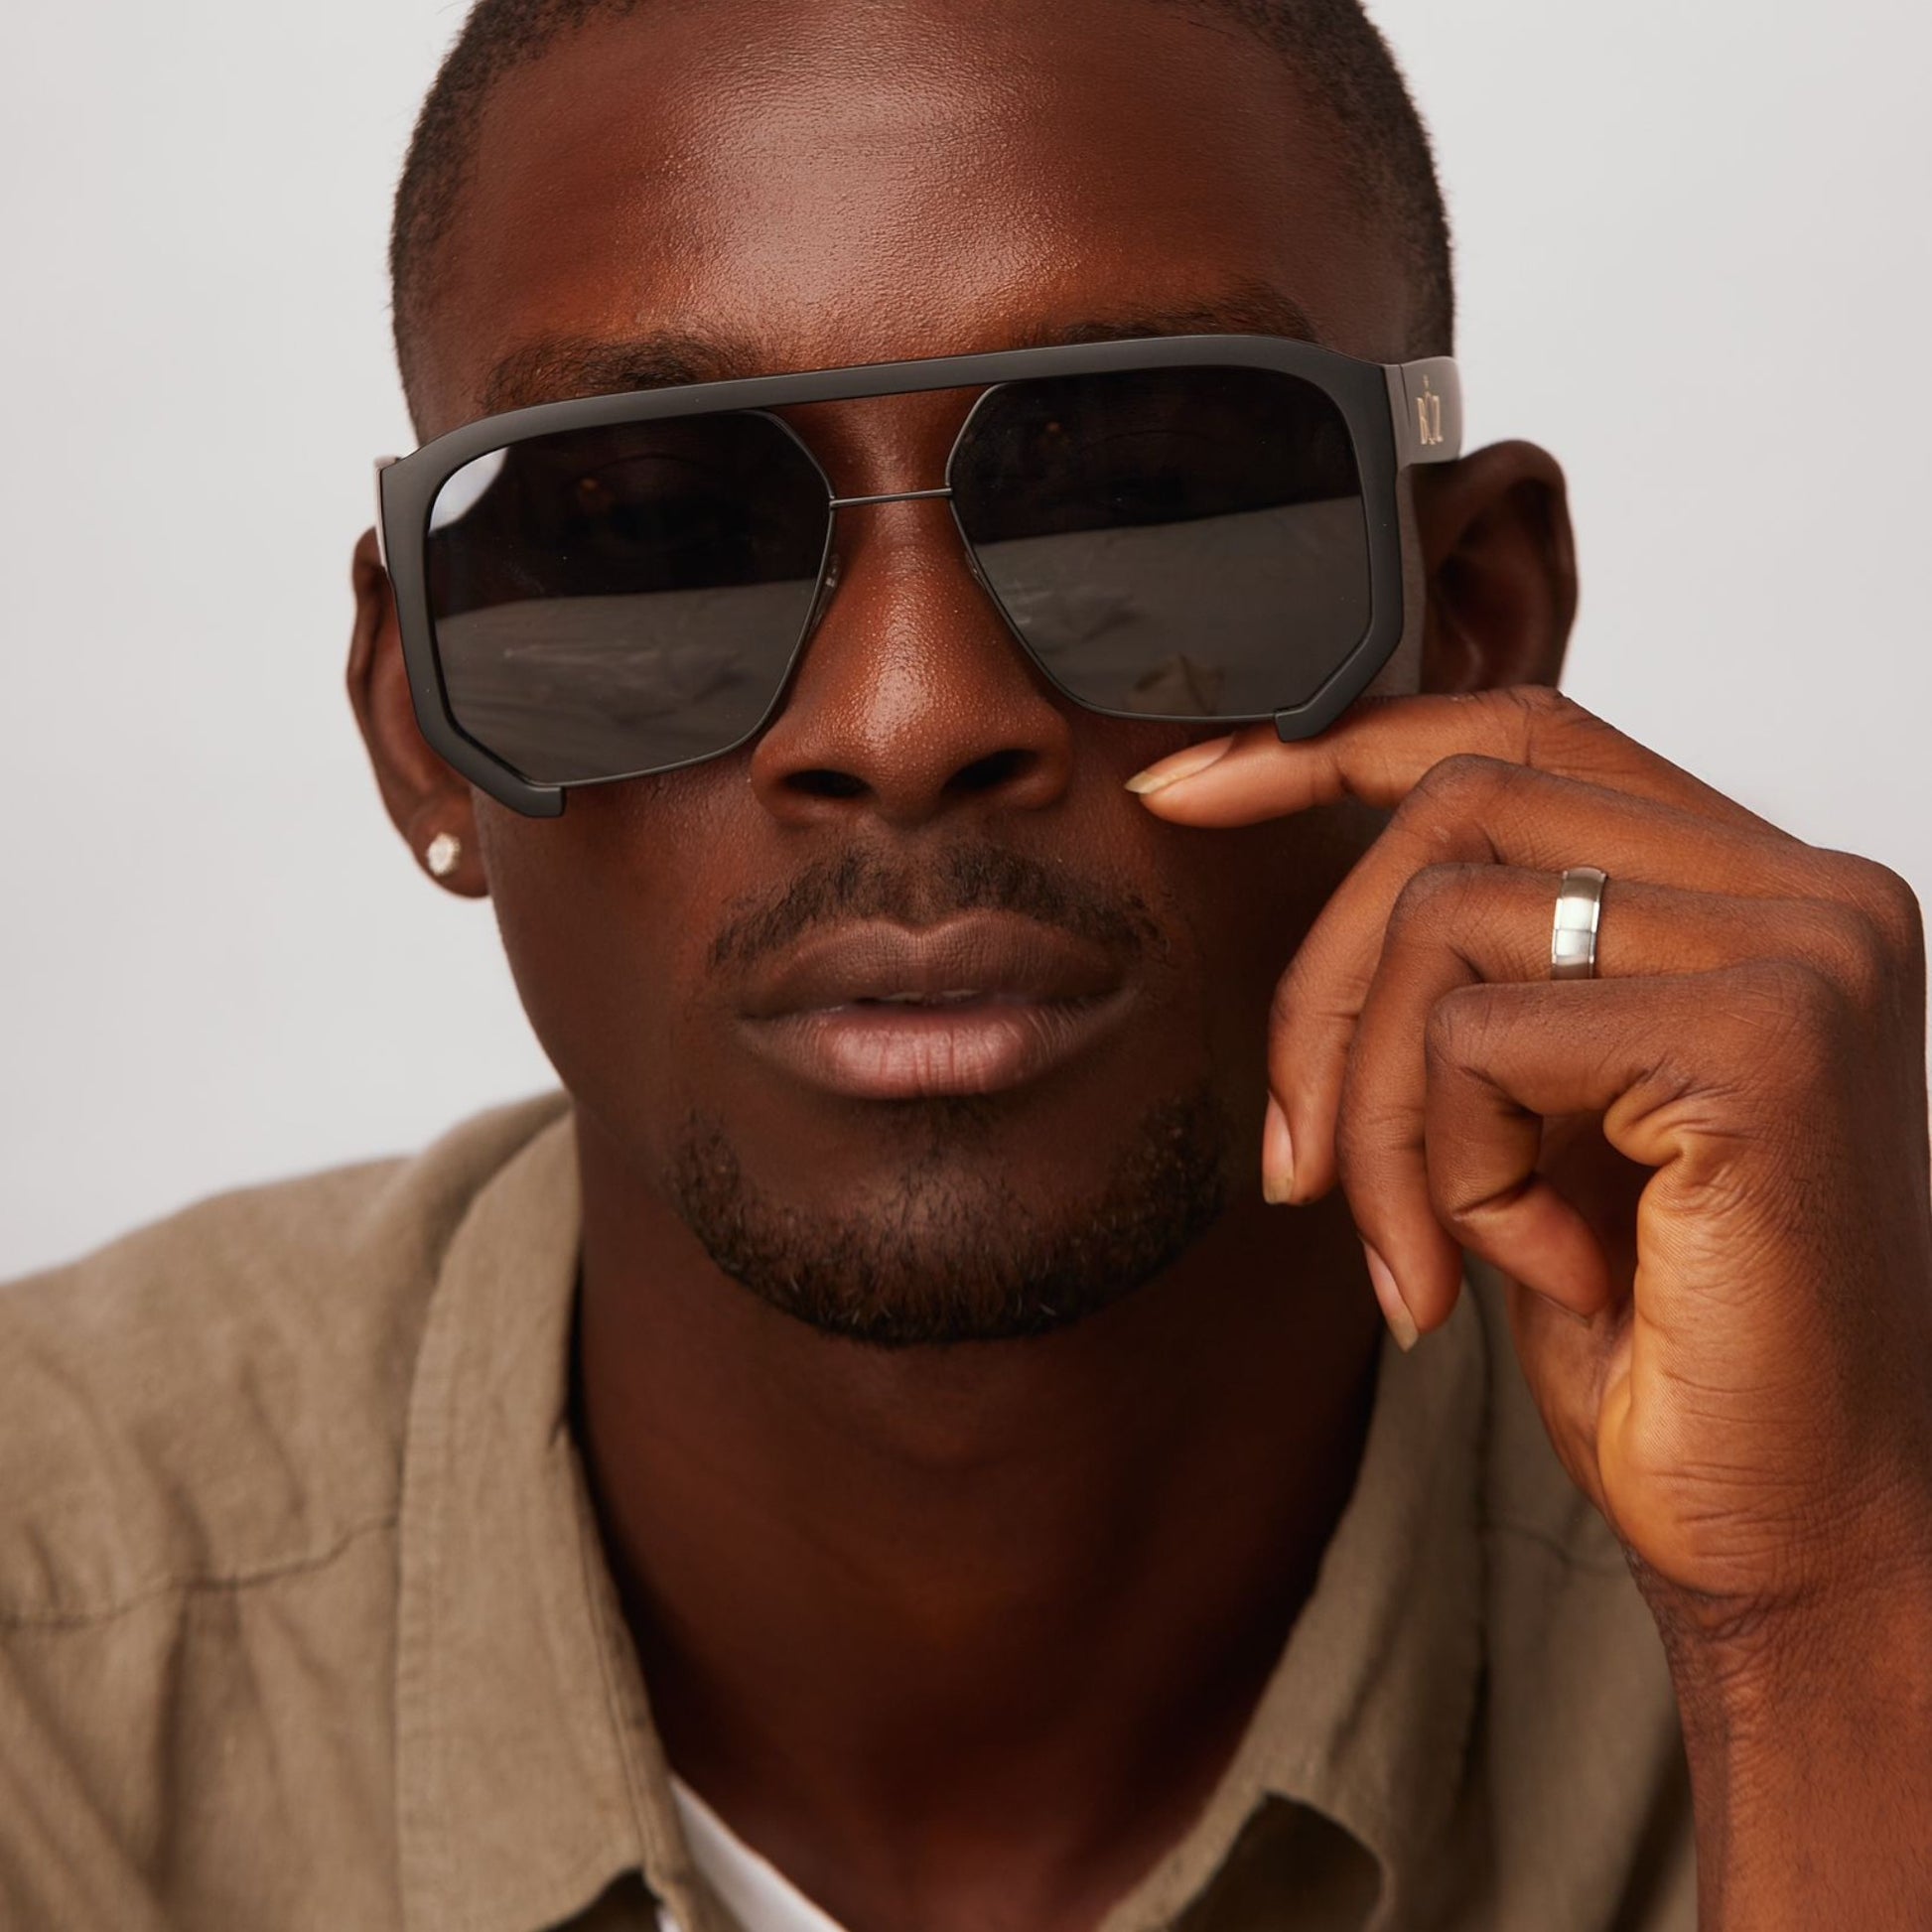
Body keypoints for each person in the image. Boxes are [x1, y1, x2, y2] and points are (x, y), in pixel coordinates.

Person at [4, 0, 1930, 1926]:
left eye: (1145, 499)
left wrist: (1816, 1612)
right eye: (661, 534)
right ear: (421, 719)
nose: (912, 715)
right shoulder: (52, 1647)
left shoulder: (1853, 1520)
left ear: (1475, 620)